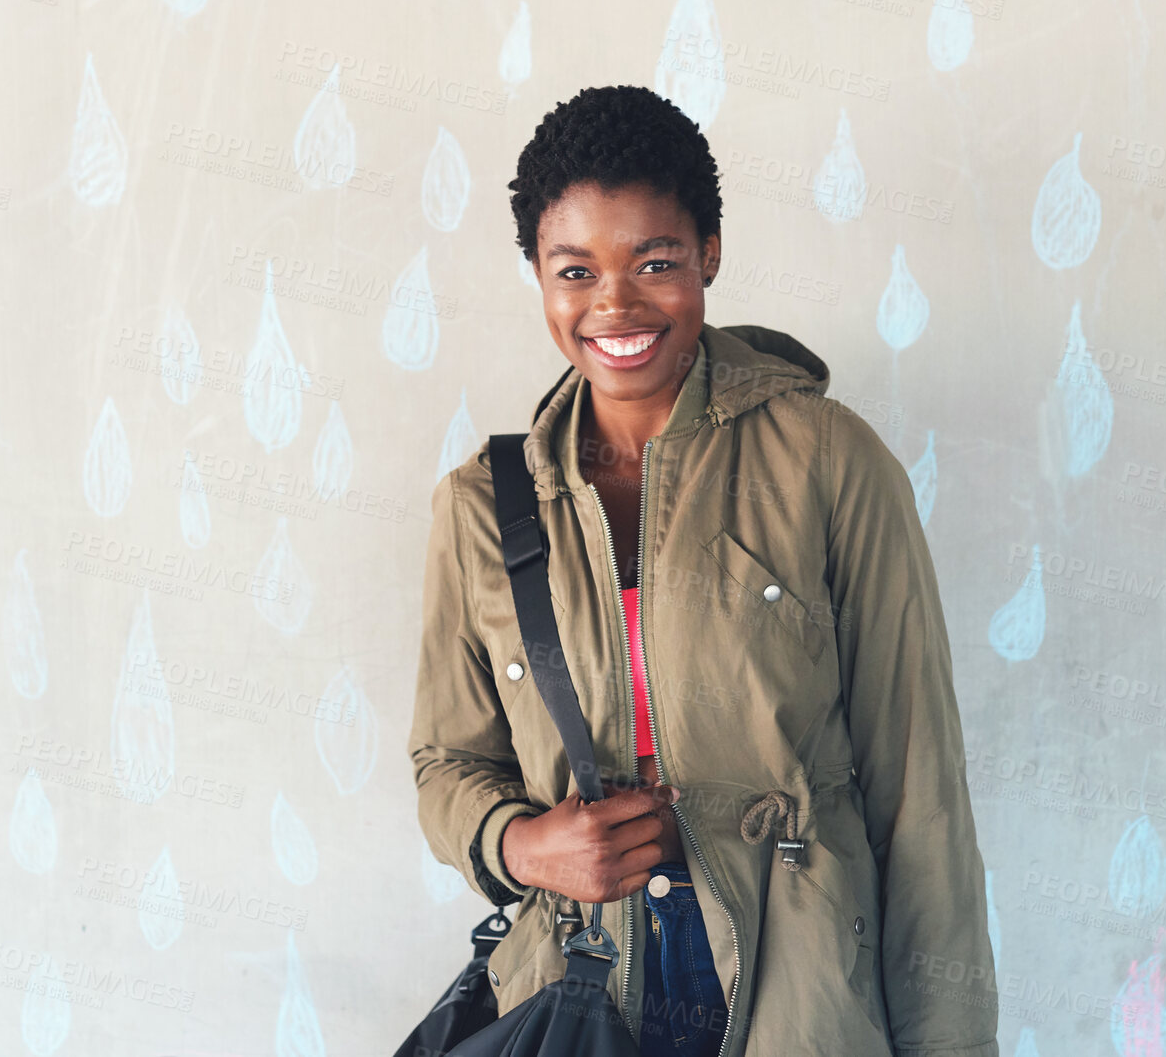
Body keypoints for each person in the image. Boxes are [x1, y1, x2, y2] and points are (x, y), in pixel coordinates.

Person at [408, 84, 998, 1057]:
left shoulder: (828, 464)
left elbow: (918, 799)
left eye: (654, 261)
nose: (614, 305)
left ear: (708, 255)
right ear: (537, 277)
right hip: (572, 989)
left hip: (791, 995)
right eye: (574, 270)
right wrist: (525, 846)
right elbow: (444, 764)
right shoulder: (482, 506)